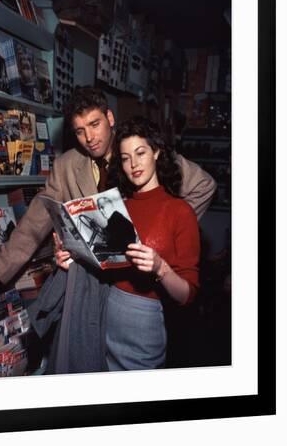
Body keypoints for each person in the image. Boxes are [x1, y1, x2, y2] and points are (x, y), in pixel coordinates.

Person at [0, 86, 215, 294]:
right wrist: (0, 266)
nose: (89, 137)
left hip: (141, 285)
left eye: (94, 124)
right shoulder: (66, 166)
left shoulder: (139, 150)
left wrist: (165, 234)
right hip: (89, 285)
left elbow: (203, 185)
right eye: (79, 131)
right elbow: (35, 221)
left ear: (109, 118)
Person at [56, 116, 200, 371]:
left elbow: (188, 295)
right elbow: (102, 267)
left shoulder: (180, 211)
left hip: (144, 323)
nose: (133, 164)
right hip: (102, 314)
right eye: (125, 158)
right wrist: (72, 261)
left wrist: (161, 268)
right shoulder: (115, 207)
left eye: (140, 153)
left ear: (156, 152)